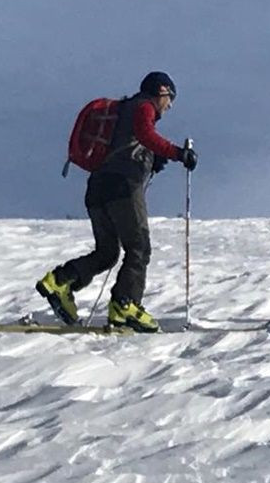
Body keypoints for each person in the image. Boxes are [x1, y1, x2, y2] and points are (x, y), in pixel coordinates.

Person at [36, 71, 198, 332]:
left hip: (98, 190)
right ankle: (125, 304)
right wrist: (178, 153)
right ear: (162, 91)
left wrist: (152, 159)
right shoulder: (143, 106)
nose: (170, 107)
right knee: (139, 248)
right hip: (122, 189)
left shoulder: (123, 112)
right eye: (171, 99)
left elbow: (134, 143)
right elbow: (146, 134)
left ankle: (60, 281)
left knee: (107, 253)